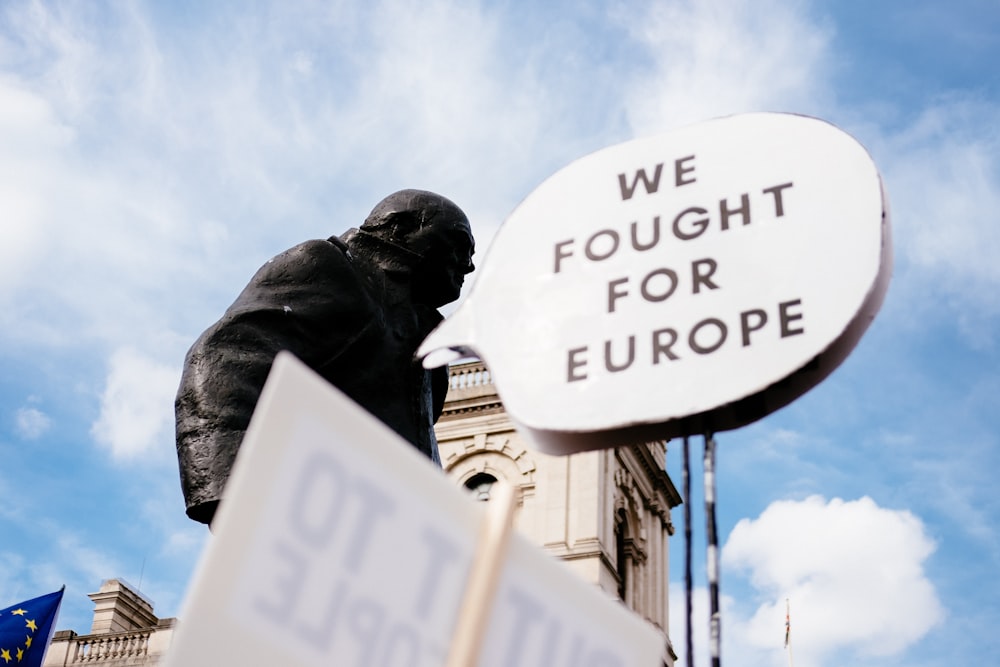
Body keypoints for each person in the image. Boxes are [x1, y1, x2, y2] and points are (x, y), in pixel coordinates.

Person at [175, 189, 476, 525]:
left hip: (396, 534)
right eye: (460, 245)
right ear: (401, 230)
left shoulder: (430, 339)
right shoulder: (329, 267)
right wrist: (237, 494)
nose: (468, 264)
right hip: (311, 521)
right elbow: (223, 361)